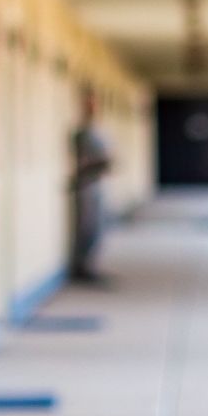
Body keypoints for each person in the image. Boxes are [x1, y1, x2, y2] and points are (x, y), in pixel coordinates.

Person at [68, 85, 113, 286]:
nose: (92, 107)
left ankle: (91, 265)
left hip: (96, 183)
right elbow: (83, 162)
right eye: (89, 103)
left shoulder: (97, 131)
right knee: (85, 228)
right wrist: (101, 162)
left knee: (96, 227)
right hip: (85, 185)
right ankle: (82, 267)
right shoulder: (81, 133)